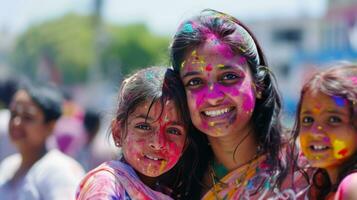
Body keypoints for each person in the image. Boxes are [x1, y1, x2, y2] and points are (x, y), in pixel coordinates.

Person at [170, 9, 308, 199]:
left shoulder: (306, 169)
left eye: (229, 77)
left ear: (258, 84)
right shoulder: (172, 184)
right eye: (195, 81)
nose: (213, 97)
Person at [76, 66, 208, 200]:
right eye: (144, 126)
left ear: (184, 145)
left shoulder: (167, 193)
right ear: (118, 133)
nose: (157, 143)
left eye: (173, 131)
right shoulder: (105, 187)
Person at [0, 83, 85, 200]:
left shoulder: (57, 170)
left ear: (50, 126)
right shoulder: (8, 166)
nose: (16, 122)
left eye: (27, 117)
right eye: (13, 114)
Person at [292, 63, 357, 199]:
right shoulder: (320, 186)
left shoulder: (352, 186)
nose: (315, 132)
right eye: (308, 119)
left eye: (333, 119)